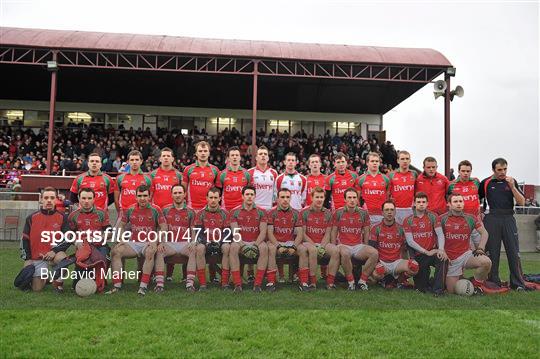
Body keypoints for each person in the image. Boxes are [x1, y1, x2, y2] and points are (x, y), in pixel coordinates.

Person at [479, 158, 532, 291]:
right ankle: (493, 281)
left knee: (514, 252)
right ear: (493, 170)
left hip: (509, 218)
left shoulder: (512, 182)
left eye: (505, 169)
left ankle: (518, 283)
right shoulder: (485, 183)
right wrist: (480, 214)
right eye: (499, 170)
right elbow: (476, 199)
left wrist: (513, 187)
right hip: (491, 218)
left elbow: (522, 202)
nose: (503, 172)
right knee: (492, 253)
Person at [441, 193, 507, 294]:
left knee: (486, 262)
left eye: (460, 201)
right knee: (452, 291)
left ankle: (477, 285)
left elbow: (484, 233)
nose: (458, 204)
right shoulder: (441, 219)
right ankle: (461, 279)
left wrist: (480, 248)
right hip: (451, 260)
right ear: (449, 204)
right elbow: (437, 238)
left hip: (465, 255)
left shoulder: (470, 218)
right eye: (455, 201)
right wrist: (442, 251)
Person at [107, 185, 167, 295]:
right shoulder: (130, 209)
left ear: (149, 196)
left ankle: (143, 287)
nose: (142, 198)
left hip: (148, 243)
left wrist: (155, 240)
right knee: (116, 252)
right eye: (139, 196)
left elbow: (164, 227)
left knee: (150, 252)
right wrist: (121, 239)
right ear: (136, 197)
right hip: (134, 243)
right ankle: (117, 286)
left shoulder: (156, 209)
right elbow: (121, 225)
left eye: (145, 196)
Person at [20, 187, 70, 292]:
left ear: (56, 200)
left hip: (53, 256)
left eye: (52, 198)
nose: (49, 200)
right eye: (46, 197)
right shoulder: (31, 218)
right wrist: (27, 259)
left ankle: (58, 284)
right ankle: (46, 277)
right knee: (37, 289)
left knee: (63, 259)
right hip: (37, 258)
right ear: (41, 199)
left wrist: (54, 251)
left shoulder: (63, 218)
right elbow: (25, 239)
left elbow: (67, 239)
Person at [332, 188, 378, 290]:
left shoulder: (363, 213)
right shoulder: (338, 212)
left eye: (354, 197)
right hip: (343, 245)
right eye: (349, 197)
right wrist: (333, 247)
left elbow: (366, 232)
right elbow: (334, 231)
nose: (352, 200)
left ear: (357, 199)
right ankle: (351, 282)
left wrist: (366, 245)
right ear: (345, 199)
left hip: (358, 246)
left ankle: (362, 281)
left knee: (374, 253)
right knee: (345, 253)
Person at [402, 192, 447, 294]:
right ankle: (430, 283)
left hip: (433, 251)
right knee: (422, 289)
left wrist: (441, 249)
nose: (421, 204)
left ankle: (438, 290)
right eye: (418, 202)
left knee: (443, 258)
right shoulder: (408, 220)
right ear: (414, 203)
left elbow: (440, 234)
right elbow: (410, 241)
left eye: (423, 202)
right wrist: (426, 252)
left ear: (427, 204)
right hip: (419, 255)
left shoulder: (433, 216)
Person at [149, 147, 183, 281]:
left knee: (172, 241)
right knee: (155, 243)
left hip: (173, 214)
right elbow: (150, 195)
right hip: (157, 215)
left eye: (169, 156)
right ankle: (153, 274)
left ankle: (169, 274)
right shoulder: (152, 175)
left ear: (173, 159)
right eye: (164, 156)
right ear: (160, 158)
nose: (166, 158)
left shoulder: (178, 175)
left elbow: (181, 193)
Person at [154, 184, 197, 292]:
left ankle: (190, 284)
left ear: (184, 194)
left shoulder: (191, 211)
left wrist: (193, 242)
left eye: (180, 193)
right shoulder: (165, 210)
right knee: (159, 251)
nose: (178, 195)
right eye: (175, 193)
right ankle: (159, 284)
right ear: (171, 195)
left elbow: (193, 230)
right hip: (170, 243)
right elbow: (161, 228)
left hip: (184, 243)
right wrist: (161, 242)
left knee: (193, 251)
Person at [228, 185, 269, 292]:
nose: (249, 197)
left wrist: (255, 245)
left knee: (264, 248)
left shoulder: (262, 211)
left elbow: (263, 232)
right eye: (247, 194)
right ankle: (237, 284)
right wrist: (243, 246)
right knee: (233, 247)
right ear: (242, 196)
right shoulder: (234, 211)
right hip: (241, 241)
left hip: (256, 241)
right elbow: (235, 233)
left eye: (252, 194)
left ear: (255, 196)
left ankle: (257, 284)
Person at [371, 200, 419, 287]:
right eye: (387, 210)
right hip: (382, 262)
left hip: (396, 263)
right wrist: (377, 263)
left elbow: (408, 245)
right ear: (382, 212)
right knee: (376, 274)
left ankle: (397, 281)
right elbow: (372, 248)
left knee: (414, 268)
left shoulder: (401, 229)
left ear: (395, 212)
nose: (389, 212)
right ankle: (383, 280)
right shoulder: (376, 228)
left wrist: (412, 258)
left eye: (392, 210)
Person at [301, 186, 339, 289]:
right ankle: (313, 282)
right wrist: (315, 246)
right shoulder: (304, 212)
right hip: (308, 243)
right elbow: (303, 234)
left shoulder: (328, 213)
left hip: (323, 243)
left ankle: (330, 282)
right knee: (313, 250)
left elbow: (327, 233)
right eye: (317, 197)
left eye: (321, 197)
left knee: (335, 250)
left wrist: (322, 246)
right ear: (312, 197)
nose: (319, 199)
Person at [266, 188, 303, 291]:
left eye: (287, 197)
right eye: (282, 197)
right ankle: (271, 282)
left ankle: (304, 282)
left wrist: (294, 246)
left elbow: (300, 233)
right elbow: (269, 232)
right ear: (277, 199)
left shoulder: (296, 213)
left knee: (303, 250)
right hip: (275, 242)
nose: (285, 200)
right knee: (271, 249)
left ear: (290, 198)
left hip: (290, 242)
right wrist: (278, 246)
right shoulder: (271, 212)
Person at [192, 187, 229, 290]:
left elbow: (227, 232)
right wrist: (206, 242)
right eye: (211, 197)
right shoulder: (200, 213)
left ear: (220, 198)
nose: (213, 200)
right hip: (206, 243)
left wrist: (219, 243)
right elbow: (199, 232)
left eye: (215, 197)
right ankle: (203, 284)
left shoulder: (225, 214)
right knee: (199, 248)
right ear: (206, 198)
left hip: (220, 243)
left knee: (227, 247)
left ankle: (224, 283)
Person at [67, 187, 111, 257]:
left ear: (94, 199)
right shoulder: (73, 215)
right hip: (82, 247)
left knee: (100, 262)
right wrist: (76, 242)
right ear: (79, 199)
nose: (86, 201)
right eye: (84, 198)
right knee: (81, 267)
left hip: (99, 246)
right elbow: (69, 234)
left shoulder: (102, 213)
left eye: (89, 198)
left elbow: (110, 233)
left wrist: (97, 238)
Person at [114, 150, 152, 225]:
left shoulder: (148, 178)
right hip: (124, 214)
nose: (134, 162)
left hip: (142, 214)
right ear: (128, 162)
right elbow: (116, 199)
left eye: (137, 160)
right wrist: (120, 212)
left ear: (141, 161)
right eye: (132, 160)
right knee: (118, 236)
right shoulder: (120, 178)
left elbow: (150, 198)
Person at [182, 141, 220, 210]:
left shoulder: (215, 170)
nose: (203, 153)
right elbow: (183, 190)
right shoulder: (188, 169)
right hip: (191, 208)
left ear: (209, 153)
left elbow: (217, 191)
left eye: (205, 151)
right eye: (200, 151)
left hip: (209, 209)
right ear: (196, 153)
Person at [357, 152, 390, 225]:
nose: (375, 163)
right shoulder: (360, 179)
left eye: (377, 161)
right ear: (367, 163)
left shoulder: (386, 179)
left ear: (379, 163)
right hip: (366, 215)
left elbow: (388, 198)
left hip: (382, 215)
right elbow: (357, 199)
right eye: (372, 161)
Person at [217, 146, 251, 211]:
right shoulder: (222, 174)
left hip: (242, 210)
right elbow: (218, 193)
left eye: (237, 155)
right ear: (228, 158)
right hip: (226, 210)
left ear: (240, 158)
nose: (235, 157)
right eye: (232, 155)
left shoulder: (247, 174)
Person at [388, 150, 417, 224]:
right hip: (396, 209)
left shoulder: (414, 174)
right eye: (402, 159)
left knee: (409, 234)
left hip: (410, 209)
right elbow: (387, 193)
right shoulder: (391, 175)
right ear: (398, 160)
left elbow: (417, 192)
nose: (405, 161)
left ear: (410, 160)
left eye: (407, 159)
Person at [248, 145, 278, 210]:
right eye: (260, 154)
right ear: (256, 158)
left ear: (268, 158)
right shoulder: (250, 172)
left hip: (270, 208)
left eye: (265, 154)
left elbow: (276, 192)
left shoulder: (274, 173)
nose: (263, 155)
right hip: (254, 208)